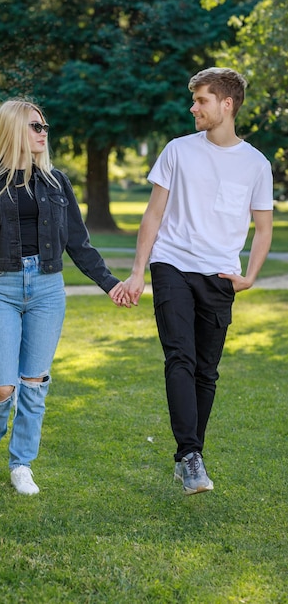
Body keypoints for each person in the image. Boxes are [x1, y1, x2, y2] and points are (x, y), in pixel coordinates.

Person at [0, 99, 124, 495]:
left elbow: (79, 244)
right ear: (15, 130)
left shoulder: (56, 182)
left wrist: (110, 283)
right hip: (0, 287)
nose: (43, 131)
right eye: (35, 125)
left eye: (44, 125)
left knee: (33, 382)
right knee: (3, 384)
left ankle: (21, 464)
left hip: (48, 289)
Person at [124, 67, 273, 495]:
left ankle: (190, 457)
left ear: (226, 105)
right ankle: (190, 455)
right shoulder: (177, 151)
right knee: (180, 359)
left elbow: (263, 229)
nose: (193, 107)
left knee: (206, 372)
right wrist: (139, 271)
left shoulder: (256, 164)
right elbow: (153, 215)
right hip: (171, 265)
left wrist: (249, 277)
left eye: (201, 100)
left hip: (220, 275)